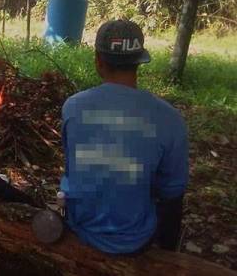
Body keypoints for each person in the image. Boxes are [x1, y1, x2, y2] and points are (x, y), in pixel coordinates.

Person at [60, 20, 189, 254]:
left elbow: (72, 169)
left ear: (98, 61)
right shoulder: (171, 118)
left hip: (80, 231)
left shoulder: (73, 107)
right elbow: (172, 194)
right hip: (136, 239)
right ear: (139, 62)